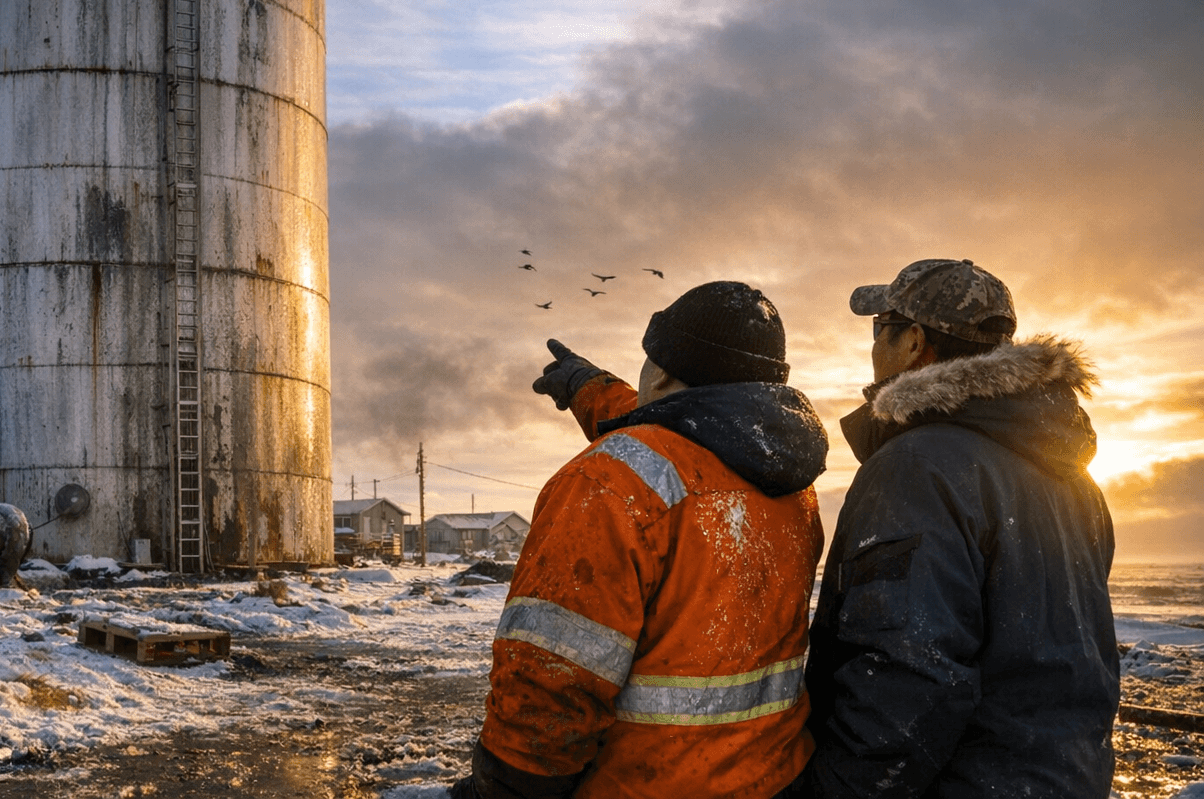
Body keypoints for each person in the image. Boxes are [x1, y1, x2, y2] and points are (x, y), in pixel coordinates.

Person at [451, 281, 829, 799]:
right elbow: (688, 427)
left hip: (643, 784)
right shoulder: (790, 485)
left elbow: (550, 676)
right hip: (773, 776)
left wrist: (507, 785)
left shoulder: (608, 483)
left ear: (665, 371)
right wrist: (588, 387)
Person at [804, 259, 1119, 798]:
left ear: (913, 342)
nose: (874, 344)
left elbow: (905, 673)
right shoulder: (1075, 480)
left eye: (881, 325)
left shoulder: (917, 465)